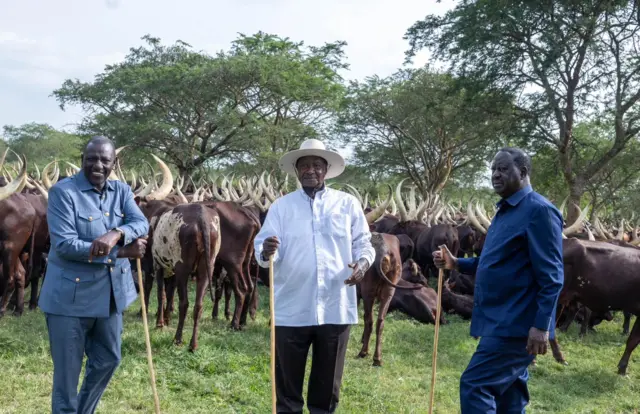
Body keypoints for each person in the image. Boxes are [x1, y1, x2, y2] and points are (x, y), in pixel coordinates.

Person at [433, 147, 564, 413]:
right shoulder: (505, 211)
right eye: (493, 169)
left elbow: (552, 277)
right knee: (510, 397)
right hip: (498, 319)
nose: (495, 175)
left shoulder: (540, 211)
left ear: (523, 172)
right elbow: (495, 262)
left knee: (475, 385)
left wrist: (541, 327)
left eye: (503, 169)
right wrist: (457, 263)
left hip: (516, 324)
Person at [253, 138, 376, 414]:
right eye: (304, 165)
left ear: (326, 169)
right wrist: (267, 249)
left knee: (326, 393)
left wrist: (363, 265)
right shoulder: (281, 208)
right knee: (287, 392)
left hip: (335, 308)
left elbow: (363, 243)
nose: (310, 170)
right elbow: (261, 250)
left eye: (316, 165)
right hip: (291, 309)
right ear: (296, 171)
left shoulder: (347, 204)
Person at [38, 136, 150, 414]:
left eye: (104, 160)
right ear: (82, 160)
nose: (97, 165)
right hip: (69, 300)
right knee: (67, 375)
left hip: (110, 297)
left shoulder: (121, 191)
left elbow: (140, 221)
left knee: (108, 360)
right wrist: (122, 252)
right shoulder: (64, 193)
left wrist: (117, 233)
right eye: (91, 158)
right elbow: (64, 246)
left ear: (113, 163)